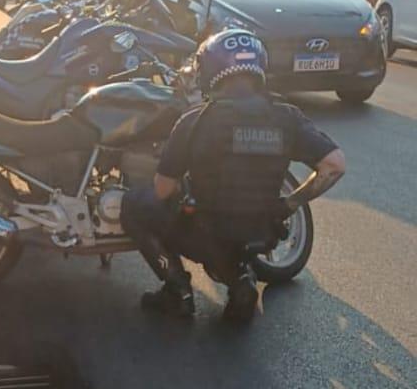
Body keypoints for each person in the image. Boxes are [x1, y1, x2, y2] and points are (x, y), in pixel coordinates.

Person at [121, 30, 346, 323]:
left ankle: (178, 291)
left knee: (134, 205)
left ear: (210, 70)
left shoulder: (194, 121)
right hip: (261, 233)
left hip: (206, 232)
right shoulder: (287, 117)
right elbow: (334, 165)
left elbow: (163, 190)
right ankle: (240, 282)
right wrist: (286, 206)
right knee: (225, 231)